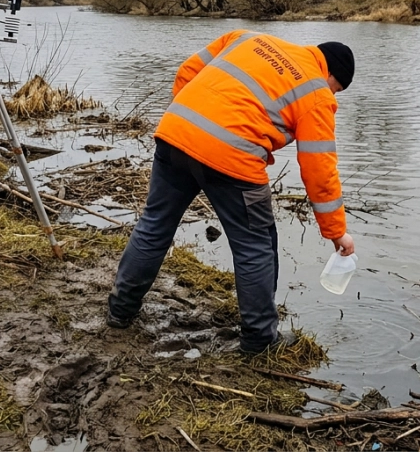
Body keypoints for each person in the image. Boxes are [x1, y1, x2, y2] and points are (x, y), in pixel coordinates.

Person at [107, 30, 355, 353]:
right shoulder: (317, 92)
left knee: (154, 224)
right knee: (256, 245)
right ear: (332, 76)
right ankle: (260, 339)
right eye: (336, 89)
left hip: (175, 133)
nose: (332, 95)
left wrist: (188, 128)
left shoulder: (246, 38)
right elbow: (319, 171)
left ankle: (120, 310)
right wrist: (337, 233)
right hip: (232, 157)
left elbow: (187, 71)